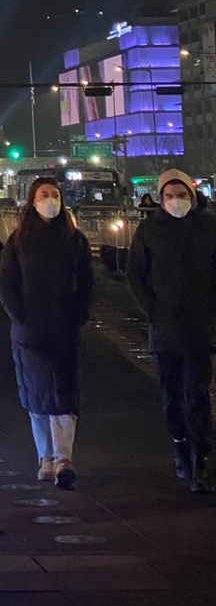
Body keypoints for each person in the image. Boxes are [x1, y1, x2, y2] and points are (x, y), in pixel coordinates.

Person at [0, 178, 94, 490]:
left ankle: (64, 458)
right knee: (37, 395)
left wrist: (79, 313)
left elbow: (87, 281)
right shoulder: (18, 241)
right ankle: (45, 458)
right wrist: (20, 317)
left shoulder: (75, 240)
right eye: (44, 194)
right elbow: (6, 283)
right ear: (32, 201)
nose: (50, 200)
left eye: (55, 195)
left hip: (64, 328)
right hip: (30, 331)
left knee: (64, 394)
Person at [126, 169, 216, 493]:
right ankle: (180, 444)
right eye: (169, 195)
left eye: (181, 195)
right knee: (172, 396)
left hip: (200, 327)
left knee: (197, 394)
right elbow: (135, 274)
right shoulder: (149, 230)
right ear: (161, 199)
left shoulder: (208, 227)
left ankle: (202, 458)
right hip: (164, 328)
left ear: (191, 196)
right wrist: (152, 310)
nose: (176, 201)